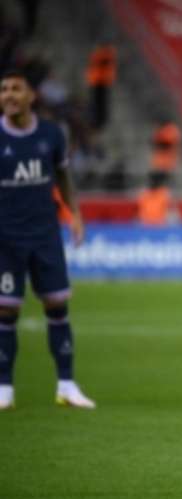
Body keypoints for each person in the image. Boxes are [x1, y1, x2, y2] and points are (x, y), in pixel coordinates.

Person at [0, 69, 95, 410]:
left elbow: (63, 176)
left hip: (45, 236)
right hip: (6, 240)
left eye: (15, 89)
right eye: (4, 90)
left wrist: (76, 215)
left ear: (30, 96)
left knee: (57, 306)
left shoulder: (52, 134)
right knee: (5, 311)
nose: (9, 95)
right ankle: (4, 388)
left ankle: (67, 386)